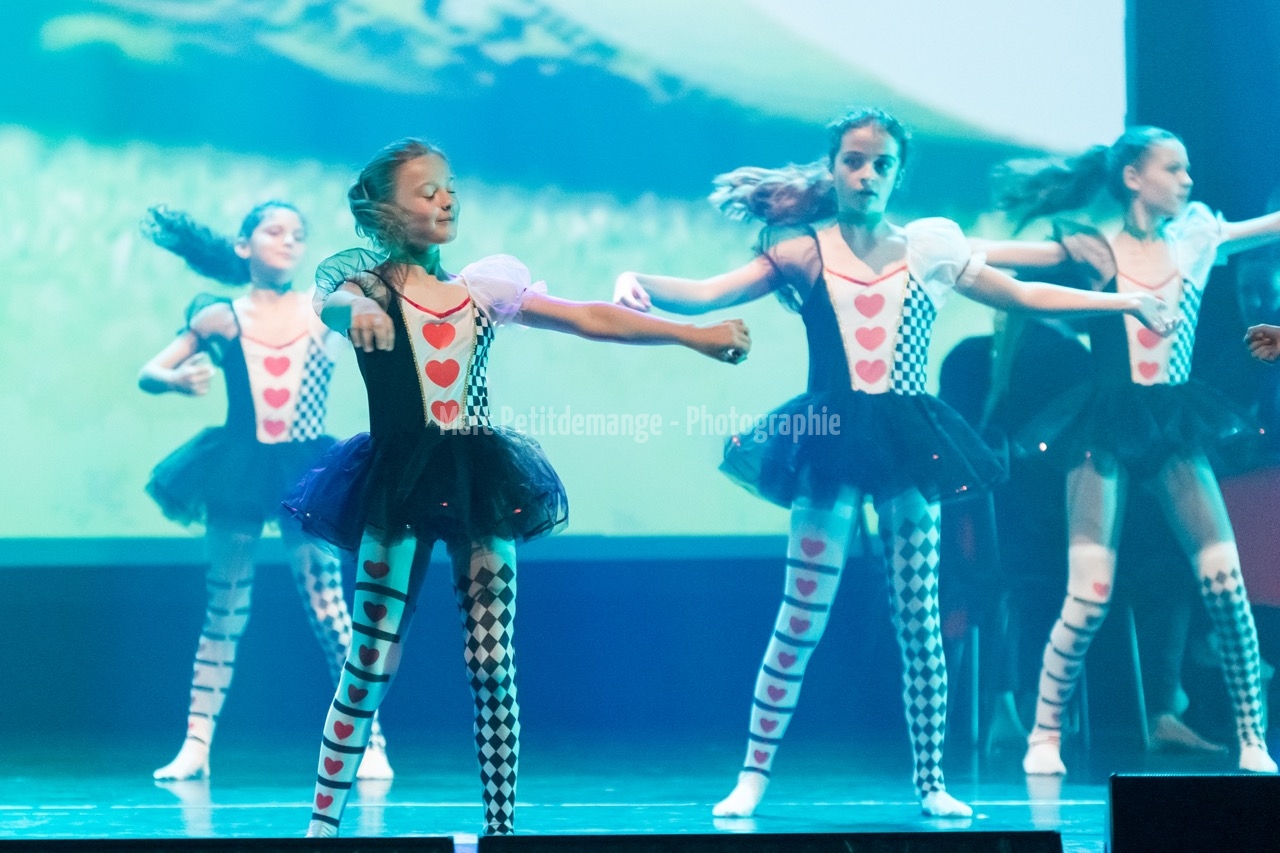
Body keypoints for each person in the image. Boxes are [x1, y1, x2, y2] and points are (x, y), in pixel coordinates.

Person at [612, 108, 1176, 818]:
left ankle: (932, 782)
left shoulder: (929, 248)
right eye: (853, 161)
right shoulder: (805, 251)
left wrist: (1126, 299)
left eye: (881, 163)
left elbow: (1023, 295)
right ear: (833, 168)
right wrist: (635, 276)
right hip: (831, 440)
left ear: (898, 173)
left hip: (910, 443)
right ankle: (752, 775)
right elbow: (708, 292)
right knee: (799, 617)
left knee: (919, 622)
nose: (866, 174)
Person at [286, 138, 753, 837]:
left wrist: (691, 334)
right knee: (370, 657)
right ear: (384, 211)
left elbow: (589, 316)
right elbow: (334, 303)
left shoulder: (483, 290)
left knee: (492, 661)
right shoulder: (366, 287)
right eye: (426, 191)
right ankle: (321, 827)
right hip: (397, 483)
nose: (446, 198)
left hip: (478, 479)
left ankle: (502, 827)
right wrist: (358, 315)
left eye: (450, 185)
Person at [982, 125, 1280, 775]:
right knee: (1088, 594)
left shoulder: (1195, 240)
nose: (1188, 180)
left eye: (1189, 168)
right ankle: (1044, 733)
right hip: (1106, 425)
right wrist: (932, 248)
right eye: (1174, 169)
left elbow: (1267, 226)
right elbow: (1013, 258)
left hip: (1175, 423)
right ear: (1133, 178)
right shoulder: (1096, 249)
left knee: (1225, 583)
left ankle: (1253, 735)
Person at [139, 202, 393, 781]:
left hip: (306, 470)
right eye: (274, 231)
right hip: (237, 468)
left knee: (329, 608)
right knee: (224, 605)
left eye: (297, 234)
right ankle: (196, 744)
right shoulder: (220, 317)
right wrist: (175, 380)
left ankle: (369, 739)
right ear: (243, 245)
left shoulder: (324, 309)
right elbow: (150, 372)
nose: (288, 242)